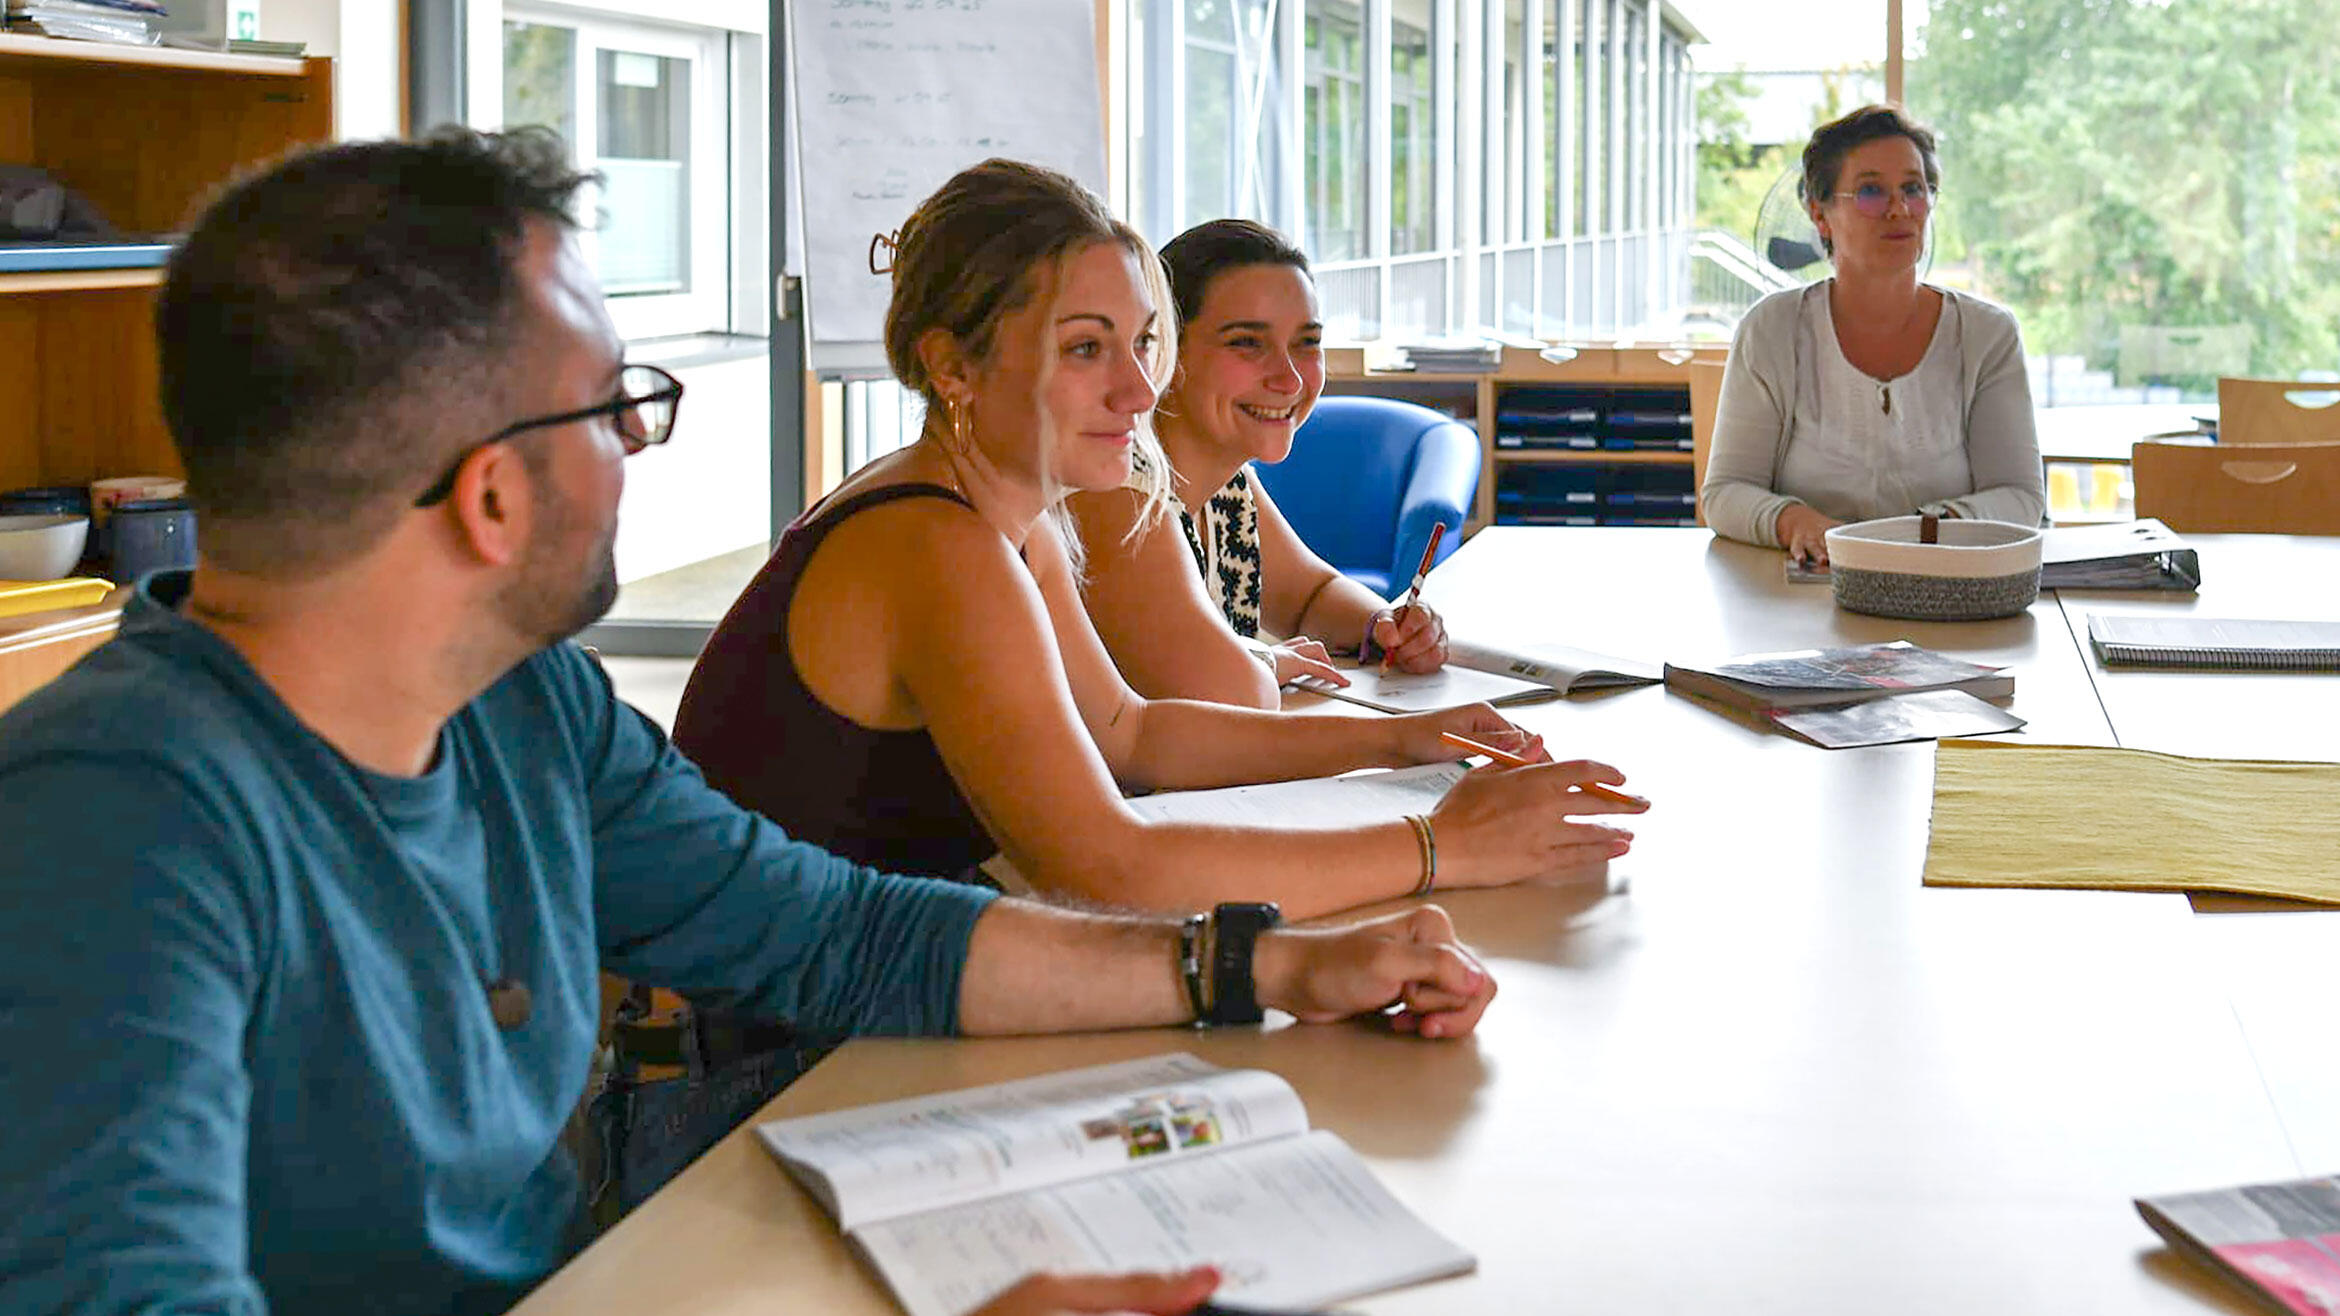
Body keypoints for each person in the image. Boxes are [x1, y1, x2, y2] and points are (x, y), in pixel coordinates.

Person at [0, 129, 1506, 1316]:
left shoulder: (526, 708)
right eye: (618, 407)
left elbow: (845, 933)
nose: (639, 452)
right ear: (492, 493)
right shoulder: (118, 827)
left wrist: (1273, 962)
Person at [674, 161, 1644, 919]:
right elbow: (1106, 866)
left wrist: (1399, 740)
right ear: (951, 363)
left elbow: (1131, 733)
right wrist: (1444, 844)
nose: (1140, 394)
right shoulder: (935, 542)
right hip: (759, 1068)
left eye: (1144, 344)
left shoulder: (1012, 512)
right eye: (1086, 348)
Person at [1066, 219, 1446, 708]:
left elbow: (1312, 595)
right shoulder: (1117, 488)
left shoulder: (1226, 485)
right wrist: (1266, 662)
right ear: (1165, 351)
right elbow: (1211, 690)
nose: (1289, 379)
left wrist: (1388, 625)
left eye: (1306, 343)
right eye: (1247, 342)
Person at [1701, 104, 2048, 566]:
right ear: (1820, 216)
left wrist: (1927, 531)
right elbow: (1724, 495)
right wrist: (1794, 521)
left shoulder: (1987, 335)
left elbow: (2022, 498)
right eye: (1870, 192)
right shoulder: (1772, 331)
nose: (1899, 210)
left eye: (1913, 190)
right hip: (1805, 597)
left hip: (1948, 591)